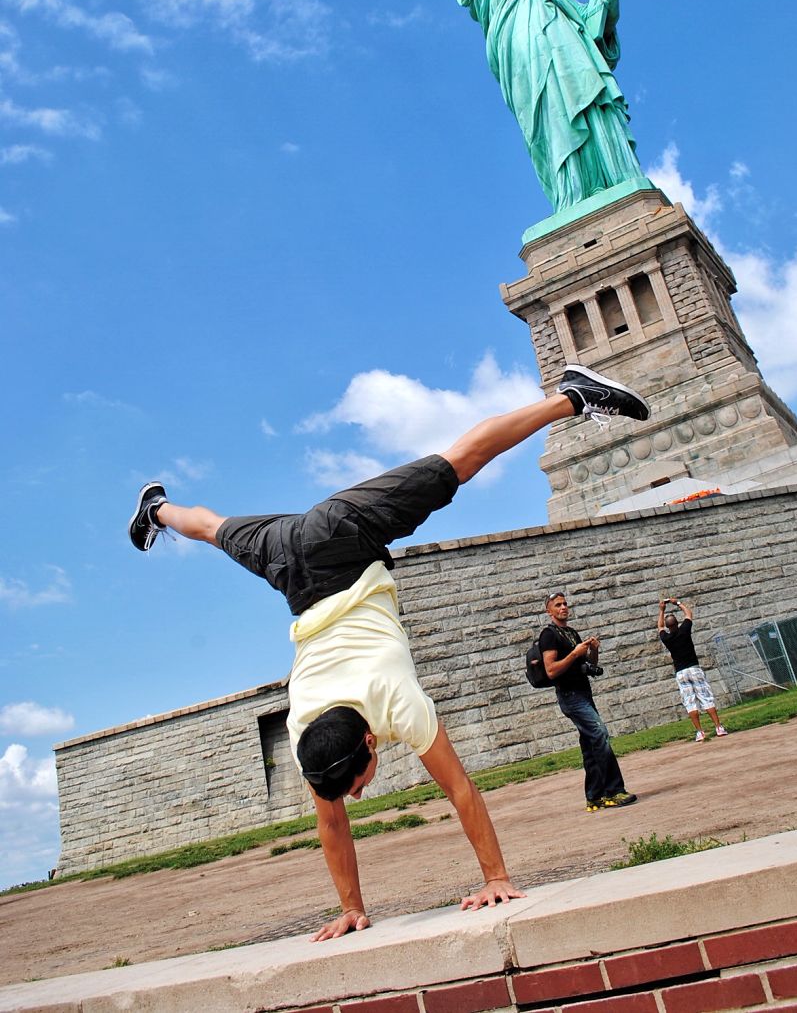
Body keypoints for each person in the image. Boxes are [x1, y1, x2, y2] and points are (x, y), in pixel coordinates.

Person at [128, 364, 649, 939]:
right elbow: (332, 823)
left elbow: (460, 790)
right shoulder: (309, 733)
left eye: (357, 785)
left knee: (457, 464)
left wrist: (497, 878)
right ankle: (156, 509)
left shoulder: (395, 701)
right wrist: (350, 909)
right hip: (289, 563)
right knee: (211, 528)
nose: (358, 794)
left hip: (338, 539)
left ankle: (573, 395)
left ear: (371, 741)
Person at [411, 0, 647, 212]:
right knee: (552, 127)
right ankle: (572, 194)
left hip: (571, 64)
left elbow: (593, 30)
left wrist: (608, 8)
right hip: (528, 75)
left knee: (590, 109)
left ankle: (615, 177)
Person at [540, 593, 636, 812]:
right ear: (549, 611)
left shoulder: (572, 633)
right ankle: (614, 791)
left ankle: (595, 797)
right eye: (558, 605)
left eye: (565, 604)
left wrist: (593, 650)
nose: (563, 607)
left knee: (590, 745)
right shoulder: (549, 635)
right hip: (570, 696)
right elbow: (551, 670)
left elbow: (589, 664)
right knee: (600, 734)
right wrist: (574, 654)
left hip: (584, 692)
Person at [657, 598, 728, 742]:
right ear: (677, 623)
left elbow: (660, 627)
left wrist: (661, 610)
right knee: (706, 697)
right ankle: (718, 727)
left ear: (668, 626)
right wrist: (677, 603)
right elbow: (688, 614)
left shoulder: (667, 638)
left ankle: (700, 732)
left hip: (681, 672)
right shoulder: (684, 630)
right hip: (694, 668)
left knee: (690, 702)